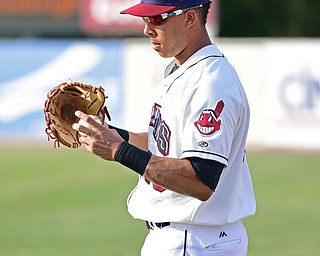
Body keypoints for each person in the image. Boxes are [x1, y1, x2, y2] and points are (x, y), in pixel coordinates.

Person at [72, 0, 256, 255]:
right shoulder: (183, 70)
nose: (147, 29)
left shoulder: (209, 82)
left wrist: (117, 150)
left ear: (190, 18)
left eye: (157, 19)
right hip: (188, 238)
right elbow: (168, 145)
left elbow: (201, 178)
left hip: (194, 240)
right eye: (145, 19)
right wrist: (110, 134)